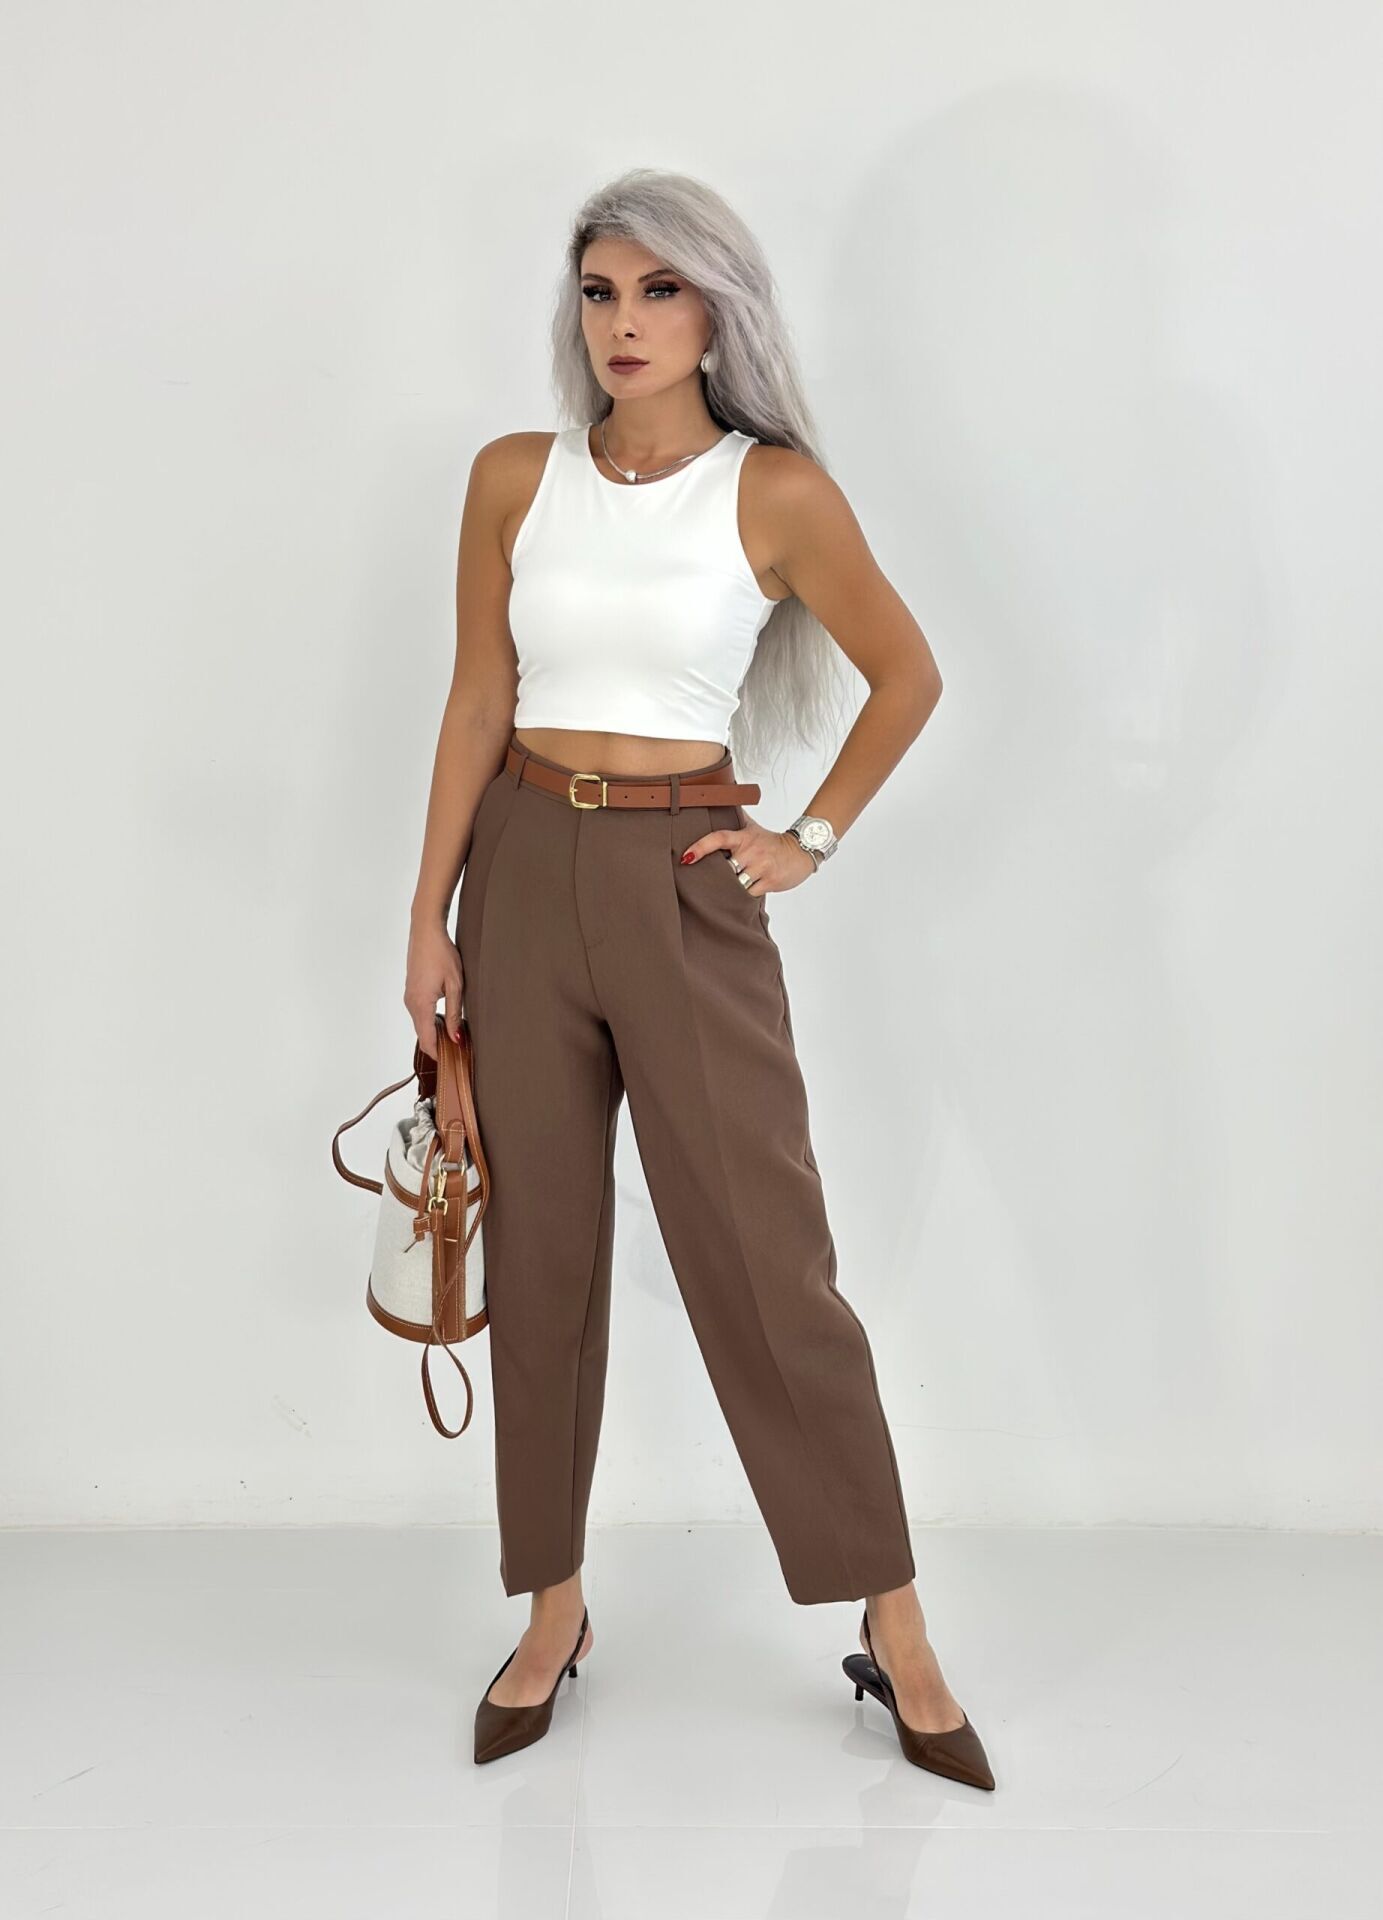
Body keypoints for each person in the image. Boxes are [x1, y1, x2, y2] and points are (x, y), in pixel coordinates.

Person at [404, 167, 995, 1791]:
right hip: (521, 867)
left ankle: (894, 1622)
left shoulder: (775, 492)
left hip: (686, 876)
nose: (626, 322)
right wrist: (428, 916)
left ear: (718, 312)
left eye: (661, 291)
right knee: (544, 1253)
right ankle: (553, 1606)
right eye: (602, 291)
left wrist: (809, 837)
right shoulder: (514, 478)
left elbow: (908, 673)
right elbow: (476, 698)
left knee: (766, 1260)